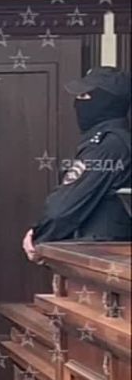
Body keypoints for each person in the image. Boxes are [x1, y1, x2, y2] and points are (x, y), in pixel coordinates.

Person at [23, 67, 131, 261]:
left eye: (85, 96)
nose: (77, 102)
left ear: (106, 101)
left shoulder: (107, 145)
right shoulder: (114, 141)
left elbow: (65, 207)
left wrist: (39, 238)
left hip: (99, 256)